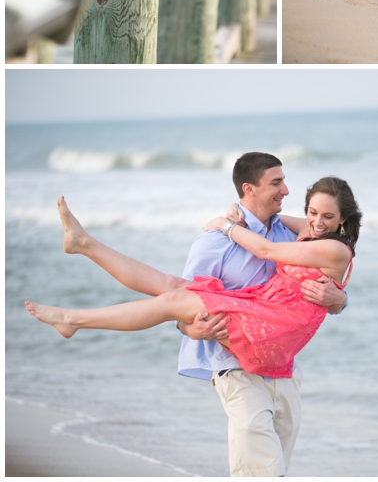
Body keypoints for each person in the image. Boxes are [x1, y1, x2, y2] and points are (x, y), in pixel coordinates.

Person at [25, 155, 357, 477]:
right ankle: (76, 300)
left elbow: (272, 252)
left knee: (271, 470)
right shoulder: (222, 242)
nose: (286, 191)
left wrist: (339, 299)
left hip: (280, 354)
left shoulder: (310, 241)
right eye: (277, 183)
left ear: (341, 218)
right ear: (249, 189)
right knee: (173, 293)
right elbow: (184, 316)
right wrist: (191, 329)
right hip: (245, 352)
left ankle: (82, 262)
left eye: (327, 215)